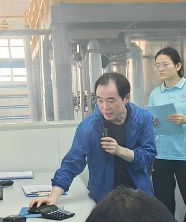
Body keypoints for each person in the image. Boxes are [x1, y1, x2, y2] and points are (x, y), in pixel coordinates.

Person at [30, 72, 156, 208]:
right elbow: (72, 162)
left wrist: (120, 151)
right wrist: (52, 197)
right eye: (100, 100)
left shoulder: (143, 119)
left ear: (126, 98)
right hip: (104, 198)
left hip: (139, 195)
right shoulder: (90, 126)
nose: (104, 107)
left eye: (111, 100)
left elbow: (148, 155)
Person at [147, 47, 186, 218]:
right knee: (163, 206)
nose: (160, 69)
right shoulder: (155, 93)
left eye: (165, 64)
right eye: (157, 65)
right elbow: (151, 126)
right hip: (162, 156)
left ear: (178, 66)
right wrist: (152, 123)